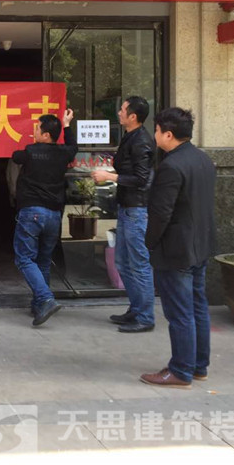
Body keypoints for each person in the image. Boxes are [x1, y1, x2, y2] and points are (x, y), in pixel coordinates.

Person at [140, 107, 216, 389]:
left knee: (180, 312)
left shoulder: (171, 166)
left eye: (157, 130)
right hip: (199, 245)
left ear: (168, 134)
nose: (155, 134)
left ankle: (181, 370)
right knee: (197, 307)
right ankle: (198, 366)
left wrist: (149, 243)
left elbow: (161, 213)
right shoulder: (202, 159)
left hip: (176, 249)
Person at [91, 96, 156, 333]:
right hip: (127, 207)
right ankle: (136, 309)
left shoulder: (141, 141)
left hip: (137, 209)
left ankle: (145, 316)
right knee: (123, 262)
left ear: (133, 116)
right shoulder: (130, 136)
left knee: (139, 264)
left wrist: (109, 176)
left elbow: (141, 179)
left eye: (123, 109)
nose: (119, 112)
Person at [11, 109, 77, 326]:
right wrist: (67, 125)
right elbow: (73, 147)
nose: (34, 132)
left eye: (37, 128)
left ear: (46, 134)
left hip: (32, 213)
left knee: (24, 259)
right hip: (54, 214)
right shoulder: (63, 153)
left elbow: (15, 156)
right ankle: (40, 305)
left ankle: (45, 298)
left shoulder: (30, 151)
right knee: (44, 261)